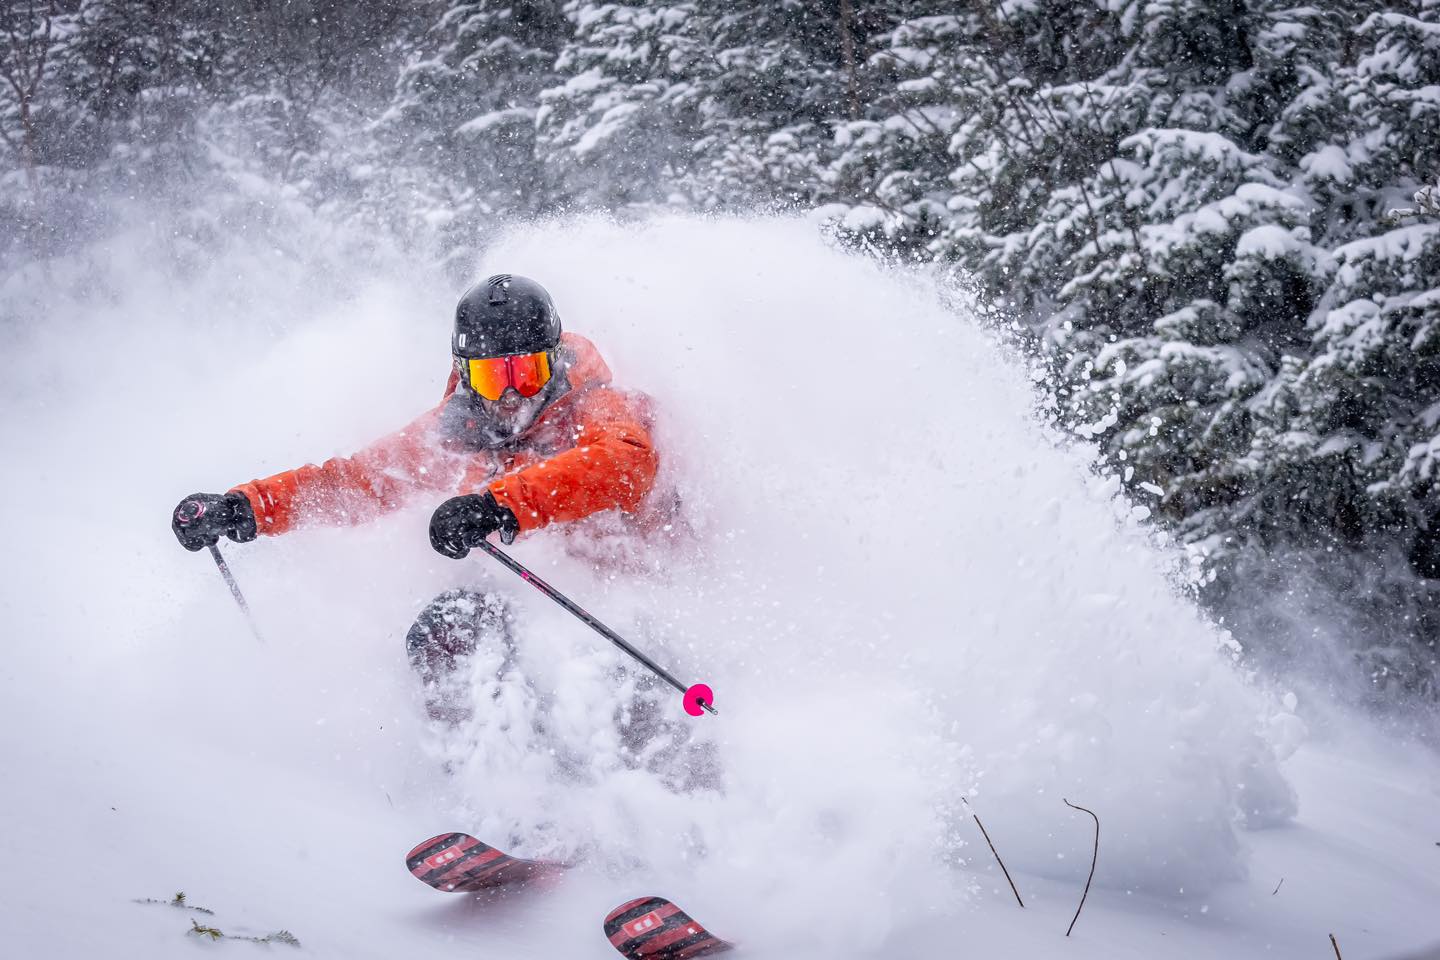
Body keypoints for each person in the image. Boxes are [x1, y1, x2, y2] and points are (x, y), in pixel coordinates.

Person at [170, 274, 661, 725]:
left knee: (607, 670)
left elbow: (626, 462)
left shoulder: (592, 403)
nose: (511, 395)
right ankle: (492, 789)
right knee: (448, 630)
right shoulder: (456, 432)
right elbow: (357, 482)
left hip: (634, 589)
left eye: (526, 373)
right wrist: (246, 508)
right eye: (494, 378)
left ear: (553, 361)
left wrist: (497, 505)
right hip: (538, 594)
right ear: (467, 375)